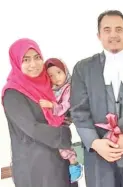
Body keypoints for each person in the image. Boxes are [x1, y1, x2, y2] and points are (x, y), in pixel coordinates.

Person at [70, 10, 123, 187]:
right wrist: (95, 143)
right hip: (99, 154)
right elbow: (79, 112)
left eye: (119, 29)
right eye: (107, 30)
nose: (113, 35)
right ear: (99, 35)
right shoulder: (83, 68)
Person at [2, 38, 74, 187]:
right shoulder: (12, 93)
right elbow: (32, 128)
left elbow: (64, 112)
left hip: (59, 162)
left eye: (37, 57)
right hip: (35, 168)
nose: (33, 64)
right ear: (16, 62)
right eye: (26, 60)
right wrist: (64, 134)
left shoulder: (50, 85)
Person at [38, 58, 83, 183]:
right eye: (51, 75)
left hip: (63, 121)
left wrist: (52, 106)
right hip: (55, 122)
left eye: (58, 72)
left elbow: (66, 106)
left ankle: (75, 164)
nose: (56, 78)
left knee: (63, 146)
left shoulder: (69, 88)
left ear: (65, 71)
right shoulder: (52, 89)